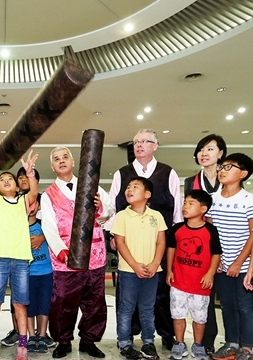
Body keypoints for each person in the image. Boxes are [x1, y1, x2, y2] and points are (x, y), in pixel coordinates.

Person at [109, 129, 182, 351]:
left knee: (160, 293)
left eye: (145, 141)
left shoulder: (168, 173)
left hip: (160, 244)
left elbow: (177, 210)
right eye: (136, 142)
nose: (139, 145)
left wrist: (174, 243)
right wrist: (112, 236)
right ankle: (127, 339)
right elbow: (113, 207)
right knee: (127, 299)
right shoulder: (122, 174)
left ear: (155, 146)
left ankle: (165, 336)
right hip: (129, 245)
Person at [40, 146, 113, 359]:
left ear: (73, 162)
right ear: (52, 167)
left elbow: (108, 213)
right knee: (63, 302)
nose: (61, 161)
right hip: (65, 260)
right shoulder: (48, 195)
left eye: (65, 157)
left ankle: (89, 341)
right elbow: (49, 227)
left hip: (94, 255)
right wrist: (61, 251)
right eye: (56, 159)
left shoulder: (94, 185)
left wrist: (101, 208)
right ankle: (63, 341)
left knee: (95, 302)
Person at [0, 132, 38, 360]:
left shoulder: (24, 201)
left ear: (16, 185)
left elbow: (33, 192)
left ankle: (22, 346)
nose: (6, 181)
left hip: (22, 260)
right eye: (2, 179)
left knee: (20, 305)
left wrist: (30, 173)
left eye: (10, 179)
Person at [111, 177, 167, 360]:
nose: (130, 189)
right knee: (126, 308)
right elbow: (120, 242)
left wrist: (154, 263)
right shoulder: (122, 216)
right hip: (128, 270)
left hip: (152, 271)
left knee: (147, 308)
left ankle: (148, 342)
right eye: (128, 187)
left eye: (135, 186)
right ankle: (125, 343)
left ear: (147, 194)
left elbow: (161, 242)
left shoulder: (156, 216)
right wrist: (135, 265)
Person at [206, 154, 253, 360]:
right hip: (221, 265)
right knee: (227, 305)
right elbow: (210, 231)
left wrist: (238, 263)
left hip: (243, 265)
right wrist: (216, 261)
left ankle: (248, 347)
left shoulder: (248, 200)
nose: (222, 170)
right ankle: (231, 343)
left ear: (243, 174)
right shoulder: (212, 199)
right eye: (221, 166)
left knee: (245, 307)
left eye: (229, 167)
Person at [165, 190, 221, 360]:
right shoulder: (177, 228)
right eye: (185, 203)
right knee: (177, 314)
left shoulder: (210, 230)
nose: (185, 206)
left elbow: (216, 254)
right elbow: (171, 250)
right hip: (179, 282)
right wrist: (169, 270)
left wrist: (210, 274)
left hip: (200, 284)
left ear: (203, 209)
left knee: (200, 317)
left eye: (191, 203)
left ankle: (198, 345)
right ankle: (179, 344)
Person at [183, 134, 226, 354]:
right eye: (201, 149)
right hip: (201, 246)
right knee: (205, 298)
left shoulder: (230, 178)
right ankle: (207, 343)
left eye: (209, 149)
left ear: (220, 153)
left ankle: (235, 342)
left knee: (230, 299)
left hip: (230, 244)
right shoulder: (191, 182)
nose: (204, 153)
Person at [26, 194, 53, 354]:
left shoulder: (46, 226)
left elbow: (57, 238)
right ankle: (31, 336)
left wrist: (43, 237)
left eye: (33, 203)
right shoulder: (18, 227)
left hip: (46, 272)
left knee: (44, 306)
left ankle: (42, 335)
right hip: (27, 274)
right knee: (29, 306)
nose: (30, 206)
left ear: (39, 206)